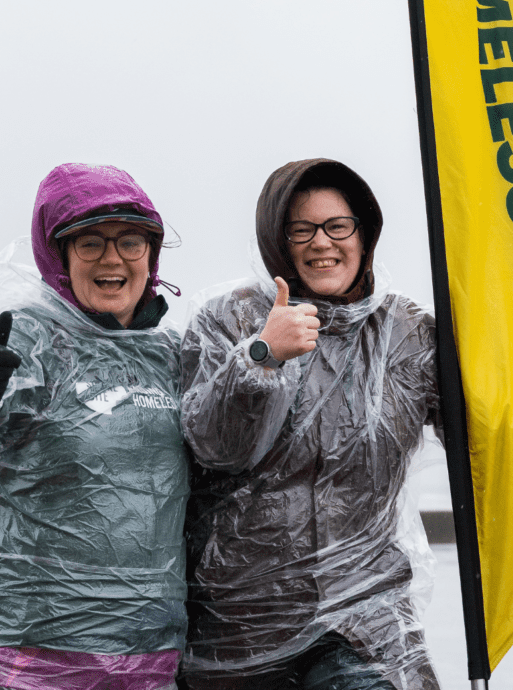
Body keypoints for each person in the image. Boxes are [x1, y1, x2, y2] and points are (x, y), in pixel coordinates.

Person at [0, 163, 188, 690]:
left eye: (129, 241)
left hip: (144, 653)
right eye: (89, 244)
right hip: (18, 647)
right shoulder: (31, 337)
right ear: (58, 257)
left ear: (151, 254)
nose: (112, 259)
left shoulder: (169, 357)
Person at [178, 158, 441, 690]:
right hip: (242, 624)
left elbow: (485, 441)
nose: (322, 243)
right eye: (301, 230)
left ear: (364, 234)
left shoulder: (407, 334)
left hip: (366, 619)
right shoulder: (226, 320)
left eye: (337, 226)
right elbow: (214, 448)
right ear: (278, 240)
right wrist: (259, 357)